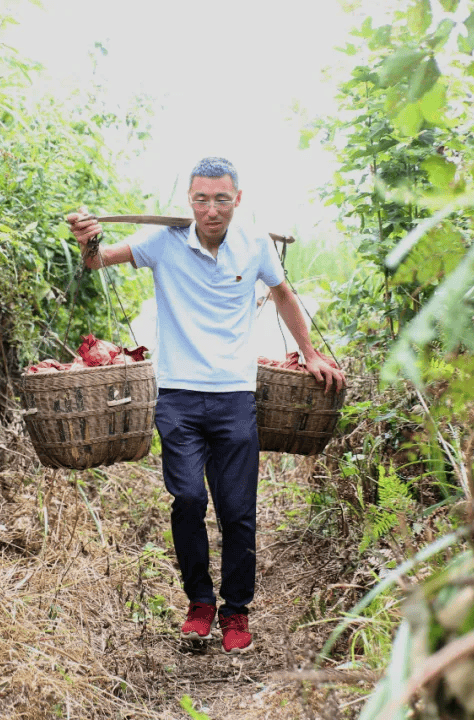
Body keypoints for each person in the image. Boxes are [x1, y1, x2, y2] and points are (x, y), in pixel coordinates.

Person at [66, 157, 347, 655]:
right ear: (189, 200)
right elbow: (96, 261)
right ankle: (199, 602)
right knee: (189, 501)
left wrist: (311, 353)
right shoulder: (163, 243)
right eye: (201, 198)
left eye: (221, 198)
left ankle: (235, 610)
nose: (211, 208)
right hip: (177, 398)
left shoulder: (255, 244)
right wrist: (88, 236)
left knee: (238, 511)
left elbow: (283, 295)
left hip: (235, 397)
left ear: (237, 198)